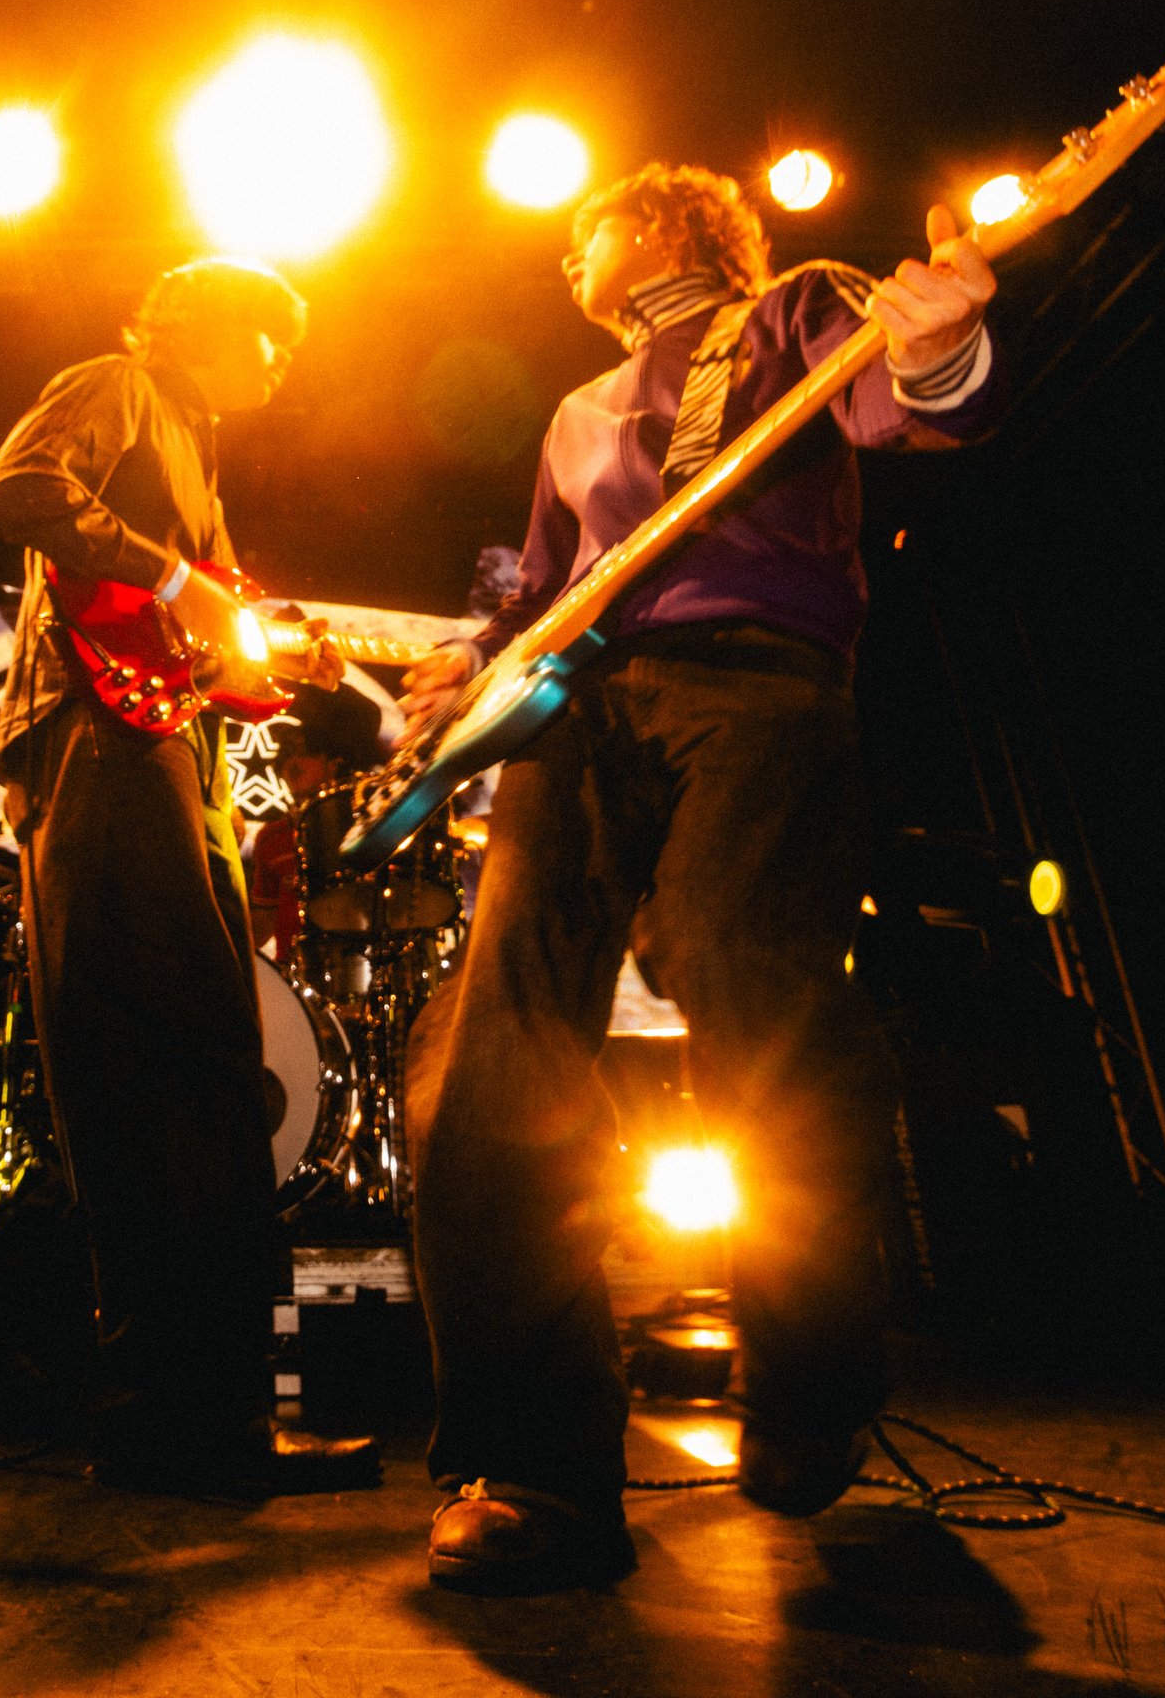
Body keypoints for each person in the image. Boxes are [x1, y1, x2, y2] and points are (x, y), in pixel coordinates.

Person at [397, 164, 1003, 1590]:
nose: (570, 254)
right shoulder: (571, 411)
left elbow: (903, 405)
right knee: (488, 1041)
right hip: (576, 704)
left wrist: (942, 349)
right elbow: (542, 582)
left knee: (741, 965)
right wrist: (468, 665)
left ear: (671, 226)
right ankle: (532, 1466)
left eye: (592, 227)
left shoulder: (790, 307)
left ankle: (813, 1378)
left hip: (758, 678)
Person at [0, 257, 375, 1495]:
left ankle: (208, 1409)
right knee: (148, 1057)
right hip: (99, 741)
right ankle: (168, 1413)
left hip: (165, 743)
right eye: (270, 340)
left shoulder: (197, 453)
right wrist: (175, 575)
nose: (281, 366)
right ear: (210, 325)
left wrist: (282, 659)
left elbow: (199, 643)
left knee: (203, 1060)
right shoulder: (119, 386)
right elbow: (14, 487)